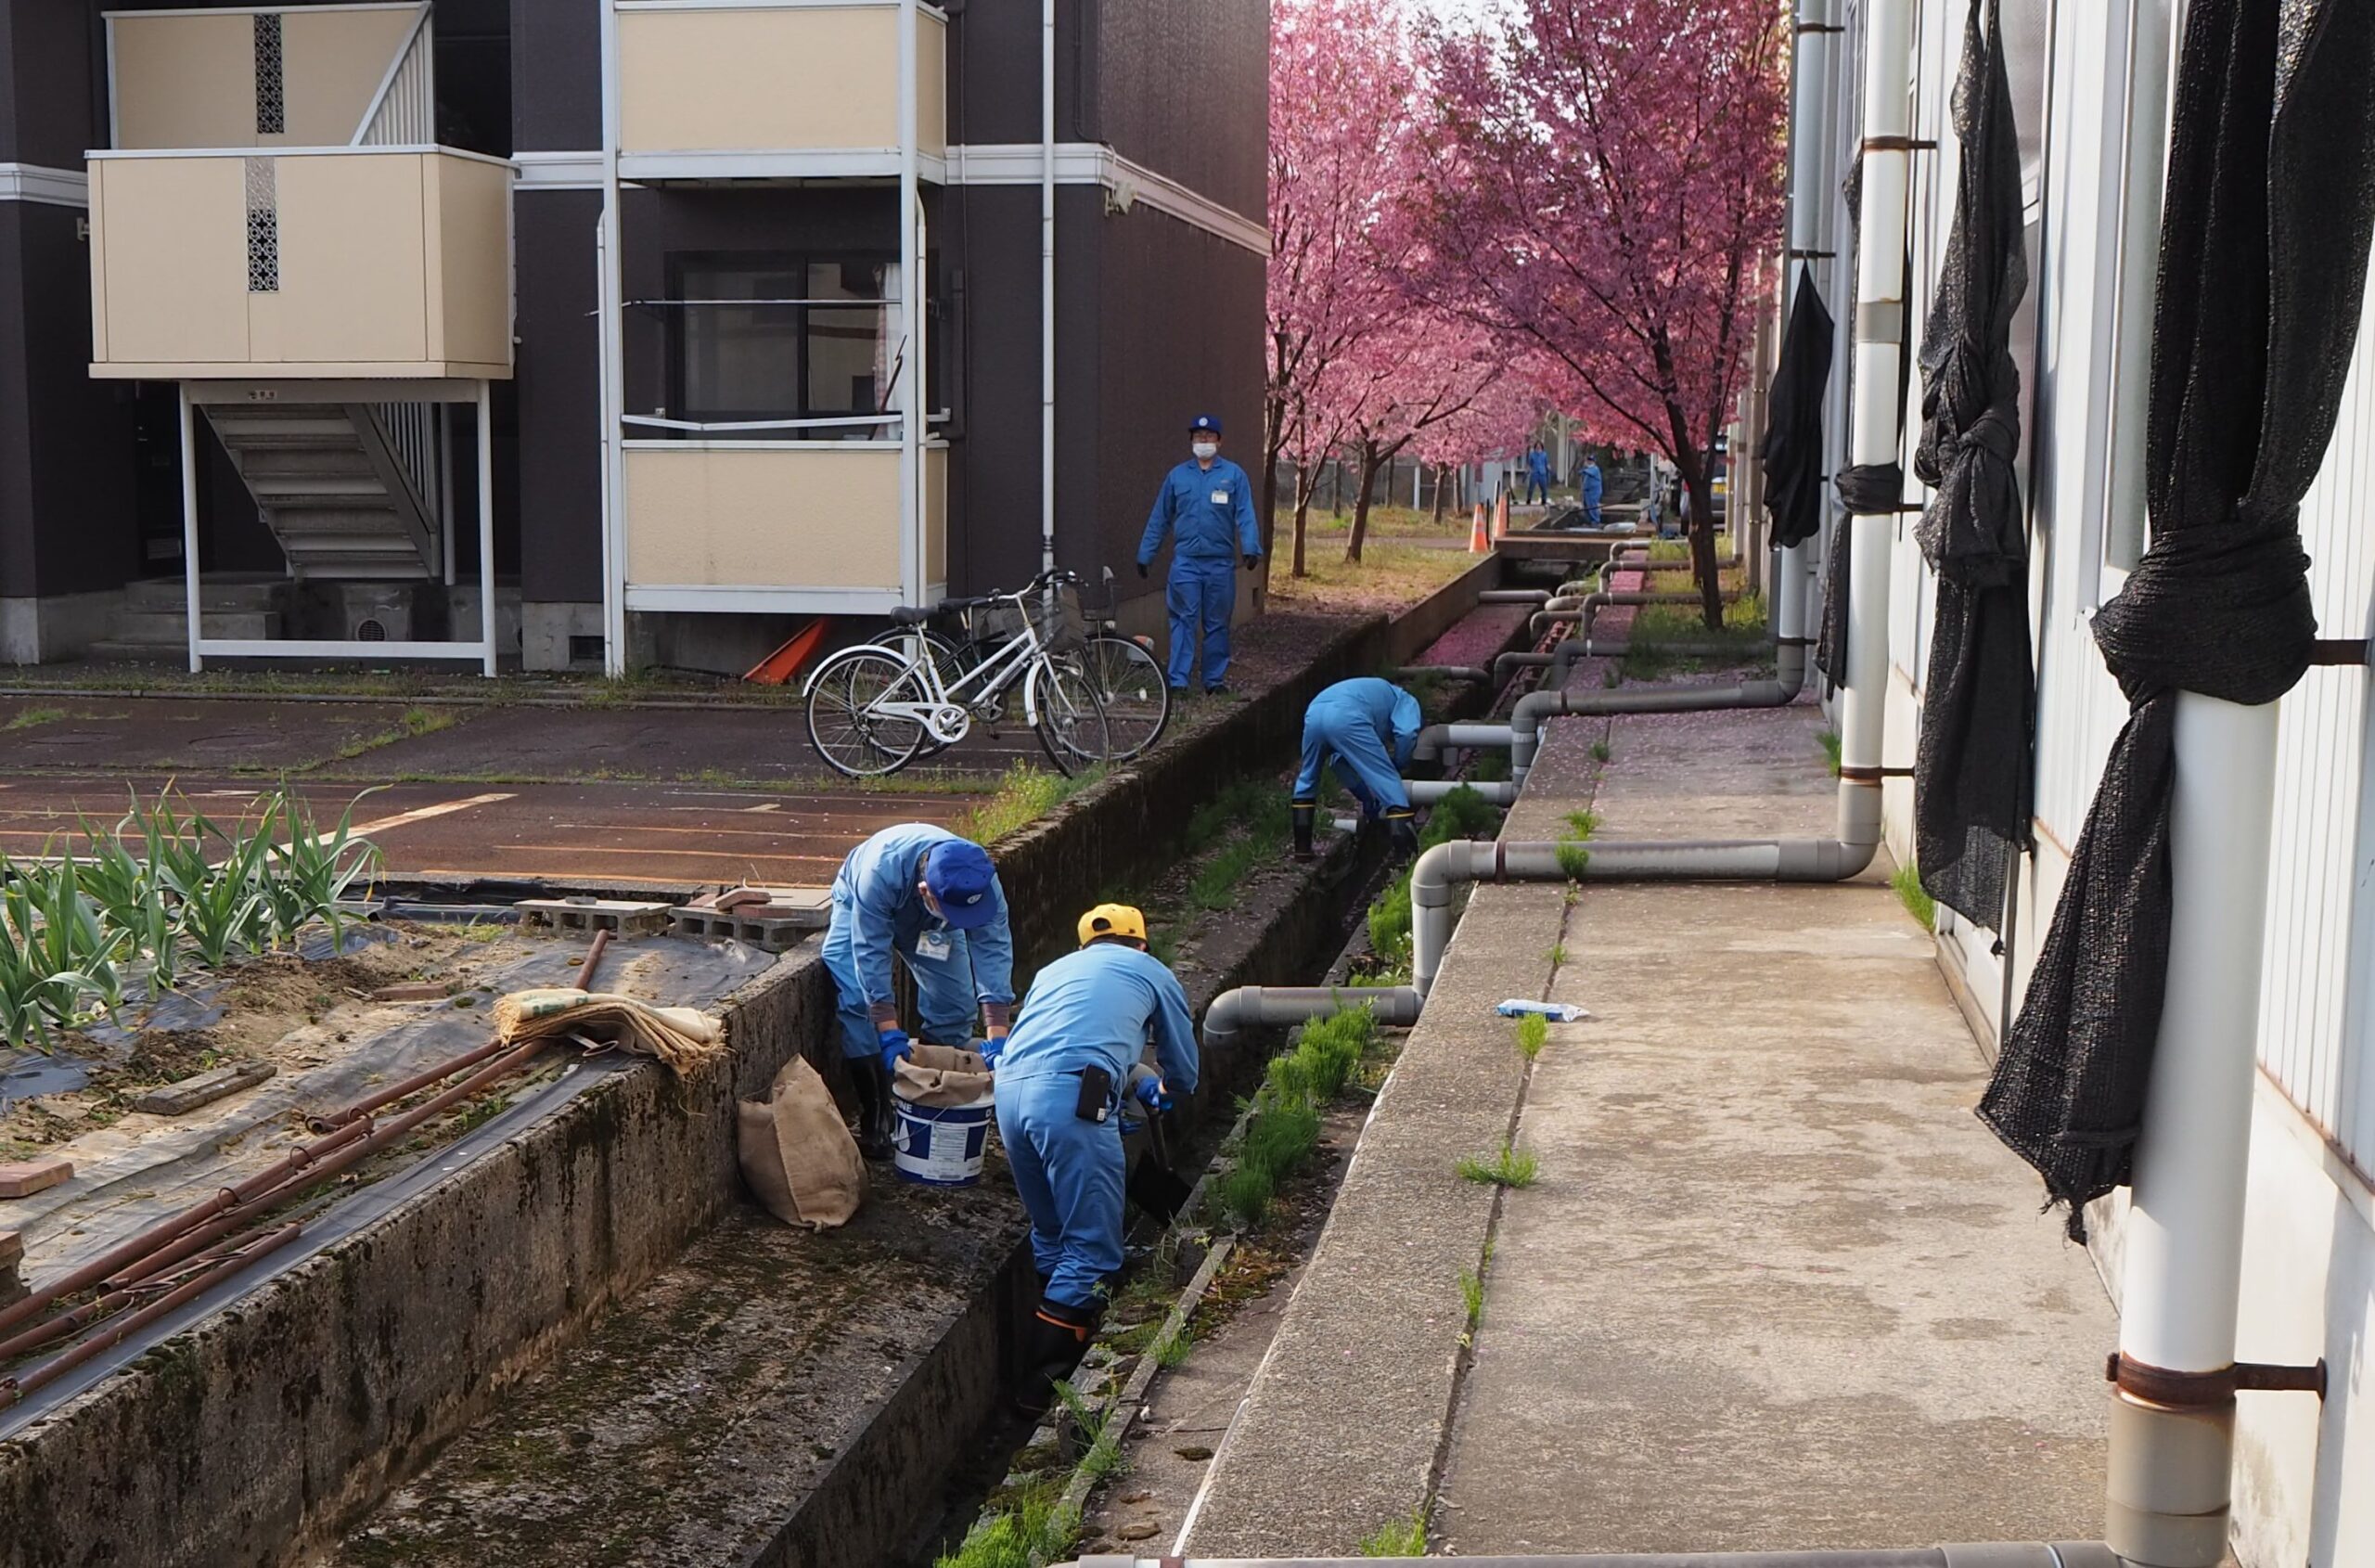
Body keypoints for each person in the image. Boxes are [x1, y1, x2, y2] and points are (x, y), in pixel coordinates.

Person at [989, 903, 1198, 1411]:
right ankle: (1044, 1391)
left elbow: (1069, 1037)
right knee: (1094, 1251)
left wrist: (1131, 1079)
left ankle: (1064, 1326)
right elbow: (1183, 1064)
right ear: (1142, 943)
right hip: (1074, 1102)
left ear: (1085, 947)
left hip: (1010, 1096)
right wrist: (1166, 1088)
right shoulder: (1151, 970)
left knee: (1053, 1234)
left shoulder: (1052, 972)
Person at [820, 823, 1015, 1160]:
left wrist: (998, 1036)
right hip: (861, 906)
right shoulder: (881, 871)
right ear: (926, 890)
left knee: (955, 1005)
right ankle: (877, 1112)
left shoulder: (979, 878)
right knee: (856, 1000)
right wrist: (889, 1030)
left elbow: (994, 948)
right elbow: (870, 952)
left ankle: (935, 1097)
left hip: (934, 927)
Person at [1137, 414, 1263, 696]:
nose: (1203, 441)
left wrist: (1251, 548)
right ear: (1191, 441)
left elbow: (1245, 514)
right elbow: (1161, 517)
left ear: (1219, 440)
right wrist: (1146, 553)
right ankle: (1178, 680)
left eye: (1208, 437)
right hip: (1186, 563)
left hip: (1220, 563)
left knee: (1217, 622)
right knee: (1183, 619)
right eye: (1198, 437)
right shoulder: (1178, 476)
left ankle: (1213, 679)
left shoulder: (1233, 475)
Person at [1290, 676, 1424, 861]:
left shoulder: (1372, 692)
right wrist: (1399, 763)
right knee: (1390, 782)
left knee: (1307, 778)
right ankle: (1405, 858)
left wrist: (1367, 797)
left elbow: (1339, 762)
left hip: (1315, 712)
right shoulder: (1405, 700)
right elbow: (1407, 733)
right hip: (1347, 715)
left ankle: (1302, 851)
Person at [1579, 454, 1604, 527]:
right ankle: (1589, 521)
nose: (1590, 462)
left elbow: (1588, 472)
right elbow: (1581, 474)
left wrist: (1583, 469)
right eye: (1588, 460)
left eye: (1591, 460)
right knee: (1586, 506)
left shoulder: (1595, 469)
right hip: (1587, 491)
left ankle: (1596, 521)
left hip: (1594, 492)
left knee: (1592, 506)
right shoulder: (1587, 469)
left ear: (1594, 461)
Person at [1523, 443, 1551, 507]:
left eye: (1539, 447)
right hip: (1534, 473)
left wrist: (1548, 467)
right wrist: (1527, 470)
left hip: (1542, 473)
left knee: (1544, 489)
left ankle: (1543, 501)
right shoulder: (1532, 455)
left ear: (1541, 447)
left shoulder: (1544, 454)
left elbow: (1546, 463)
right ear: (1535, 447)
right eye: (1537, 447)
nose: (1538, 448)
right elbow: (1529, 464)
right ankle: (1529, 499)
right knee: (1531, 488)